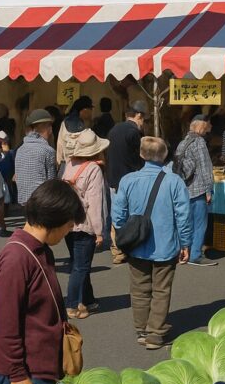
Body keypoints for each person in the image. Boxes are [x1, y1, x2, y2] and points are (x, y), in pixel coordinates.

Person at [0, 179, 84, 384]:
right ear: (55, 221)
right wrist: (17, 374)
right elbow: (5, 324)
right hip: (25, 374)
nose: (69, 232)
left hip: (41, 367)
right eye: (69, 225)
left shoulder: (40, 250)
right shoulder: (16, 258)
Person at [113, 136, 191, 349]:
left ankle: (141, 330)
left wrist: (124, 231)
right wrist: (186, 243)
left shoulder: (128, 180)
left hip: (136, 244)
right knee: (161, 289)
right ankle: (155, 333)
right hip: (165, 245)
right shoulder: (174, 181)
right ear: (165, 156)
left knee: (139, 289)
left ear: (141, 154)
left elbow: (118, 214)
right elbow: (183, 215)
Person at [62, 129, 109, 318]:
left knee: (79, 263)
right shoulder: (93, 169)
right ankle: (72, 304)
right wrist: (99, 232)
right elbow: (95, 203)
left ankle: (87, 300)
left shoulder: (70, 163)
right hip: (85, 222)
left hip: (68, 221)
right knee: (80, 266)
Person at [106, 100, 147, 264]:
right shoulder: (133, 132)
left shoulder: (114, 129)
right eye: (143, 119)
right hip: (130, 179)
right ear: (138, 115)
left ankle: (117, 250)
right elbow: (139, 158)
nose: (143, 123)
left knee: (117, 215)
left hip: (113, 178)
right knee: (132, 215)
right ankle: (129, 247)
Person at [175, 115, 217, 267]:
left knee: (185, 222)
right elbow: (205, 167)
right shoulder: (199, 142)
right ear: (201, 126)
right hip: (198, 188)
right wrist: (208, 189)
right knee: (200, 224)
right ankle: (196, 255)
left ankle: (183, 252)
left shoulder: (183, 142)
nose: (208, 129)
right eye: (207, 126)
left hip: (184, 188)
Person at [16, 109, 58, 204]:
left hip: (24, 200)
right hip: (42, 201)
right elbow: (51, 182)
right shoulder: (48, 151)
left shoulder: (20, 150)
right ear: (48, 128)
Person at [56, 95, 94, 164]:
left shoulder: (64, 122)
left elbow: (60, 146)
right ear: (84, 110)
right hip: (79, 165)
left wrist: (59, 163)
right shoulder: (81, 126)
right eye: (91, 109)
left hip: (67, 165)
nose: (91, 113)